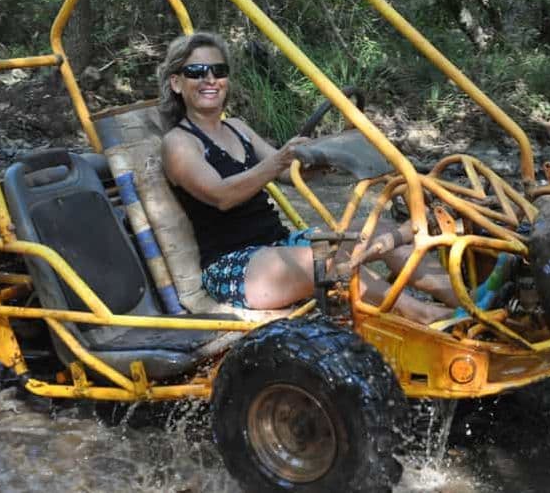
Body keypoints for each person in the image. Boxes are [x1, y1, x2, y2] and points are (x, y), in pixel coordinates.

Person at [159, 32, 508, 324]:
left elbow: (284, 175)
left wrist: (321, 159)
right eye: (197, 71)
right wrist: (282, 157)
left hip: (278, 246)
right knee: (331, 261)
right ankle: (425, 316)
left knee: (383, 231)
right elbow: (223, 195)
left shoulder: (237, 127)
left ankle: (468, 297)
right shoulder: (178, 143)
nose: (209, 79)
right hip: (234, 267)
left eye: (217, 70)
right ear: (177, 82)